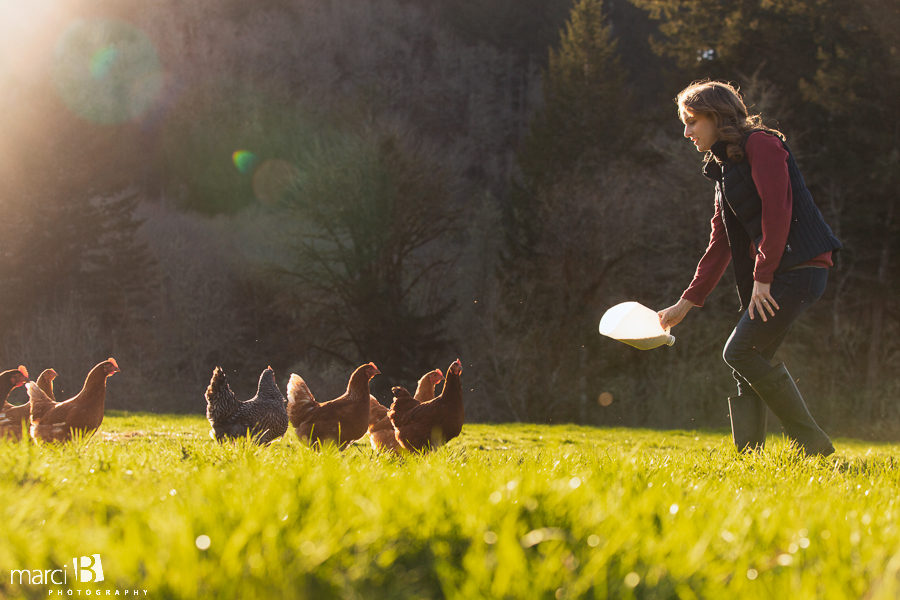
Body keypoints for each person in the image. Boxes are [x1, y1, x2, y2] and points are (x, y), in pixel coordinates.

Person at [658, 80, 841, 457]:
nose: (686, 131)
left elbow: (779, 211)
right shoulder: (722, 168)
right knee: (748, 360)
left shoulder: (762, 144)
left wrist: (762, 277)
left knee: (737, 352)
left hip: (800, 268)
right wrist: (686, 303)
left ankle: (812, 445)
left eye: (692, 121)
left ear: (716, 116)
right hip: (780, 272)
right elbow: (721, 241)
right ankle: (751, 455)